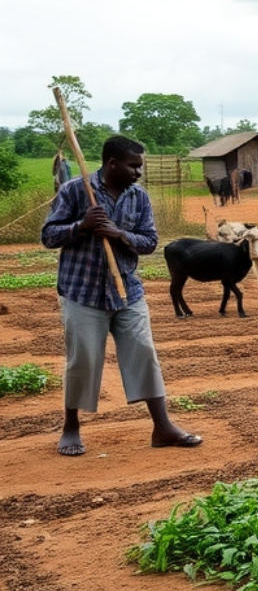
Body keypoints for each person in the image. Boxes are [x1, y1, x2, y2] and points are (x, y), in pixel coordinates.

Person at [41, 135, 201, 456]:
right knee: (82, 359)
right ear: (112, 163)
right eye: (133, 166)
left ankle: (163, 427)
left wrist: (119, 234)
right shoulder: (76, 190)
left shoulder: (138, 197)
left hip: (127, 290)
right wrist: (81, 226)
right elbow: (48, 235)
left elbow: (150, 241)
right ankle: (71, 427)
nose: (138, 173)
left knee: (144, 351)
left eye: (139, 167)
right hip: (82, 291)